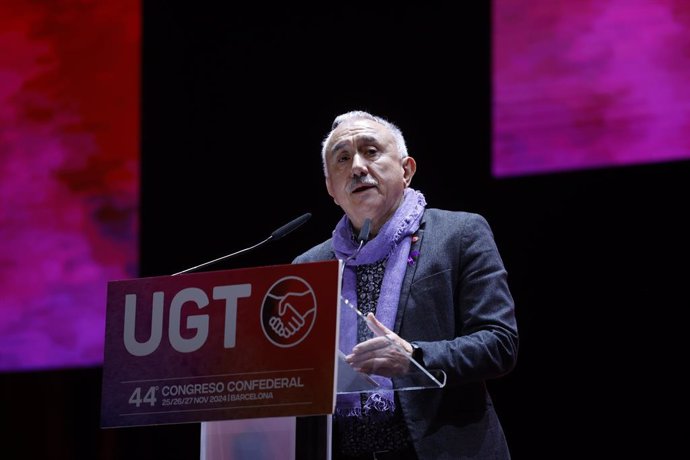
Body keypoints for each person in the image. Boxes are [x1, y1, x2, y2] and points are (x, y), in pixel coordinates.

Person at [292, 110, 519, 460]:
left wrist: (415, 357)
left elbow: (499, 342)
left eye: (370, 151)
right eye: (342, 158)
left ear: (406, 170)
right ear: (331, 189)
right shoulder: (308, 268)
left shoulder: (458, 235)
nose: (357, 167)